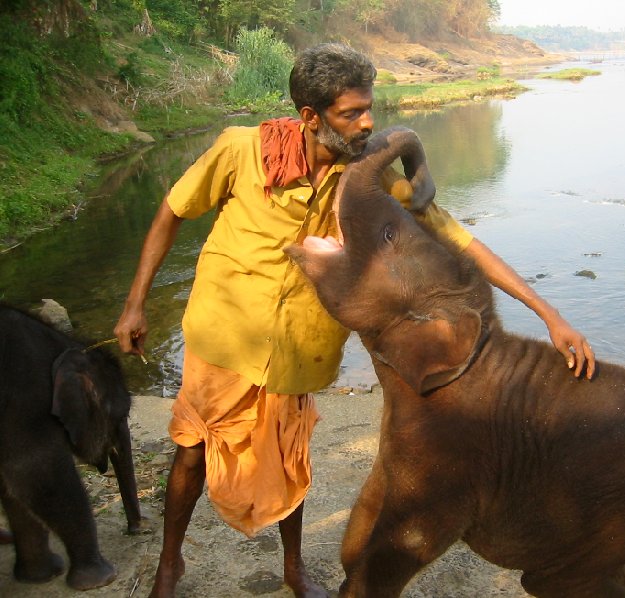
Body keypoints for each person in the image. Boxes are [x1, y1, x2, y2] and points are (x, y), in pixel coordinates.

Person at [115, 43, 595, 598]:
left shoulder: (364, 181)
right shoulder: (239, 152)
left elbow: (458, 237)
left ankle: (294, 570)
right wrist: (135, 303)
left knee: (291, 461)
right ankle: (169, 566)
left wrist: (550, 313)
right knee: (192, 450)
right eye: (351, 114)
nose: (368, 123)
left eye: (369, 108)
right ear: (311, 118)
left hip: (301, 349)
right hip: (223, 333)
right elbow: (172, 210)